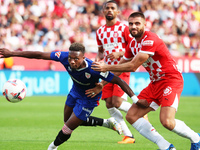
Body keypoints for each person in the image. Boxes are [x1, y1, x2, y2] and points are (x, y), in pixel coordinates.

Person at [0, 42, 148, 150]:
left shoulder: (94, 68)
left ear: (83, 57)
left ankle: (52, 147)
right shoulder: (64, 57)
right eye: (70, 58)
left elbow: (118, 80)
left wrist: (135, 100)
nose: (72, 61)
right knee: (67, 120)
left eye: (76, 59)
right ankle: (107, 123)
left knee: (67, 127)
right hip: (75, 92)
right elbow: (39, 55)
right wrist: (12, 53)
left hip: (89, 98)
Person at [91, 12, 200, 150]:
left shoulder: (149, 39)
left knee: (167, 121)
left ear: (145, 24)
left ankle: (196, 138)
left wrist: (105, 67)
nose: (133, 26)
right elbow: (120, 67)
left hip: (171, 80)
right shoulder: (132, 44)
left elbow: (132, 66)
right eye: (131, 24)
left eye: (137, 23)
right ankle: (166, 146)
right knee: (132, 116)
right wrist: (102, 84)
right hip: (155, 83)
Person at [92, 0, 138, 144]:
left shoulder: (124, 28)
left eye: (113, 8)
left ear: (117, 12)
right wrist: (97, 61)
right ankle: (128, 136)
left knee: (117, 102)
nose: (110, 10)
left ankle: (139, 111)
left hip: (122, 68)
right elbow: (100, 52)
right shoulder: (100, 31)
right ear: (103, 11)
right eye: (107, 8)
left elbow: (134, 48)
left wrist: (120, 53)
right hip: (107, 70)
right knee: (109, 104)